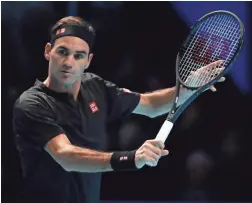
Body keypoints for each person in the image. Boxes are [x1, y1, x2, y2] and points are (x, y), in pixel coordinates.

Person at [12, 16, 225, 203]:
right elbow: (65, 155)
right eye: (62, 52)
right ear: (48, 51)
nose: (69, 62)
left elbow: (150, 105)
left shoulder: (95, 87)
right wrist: (131, 158)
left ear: (88, 61)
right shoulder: (32, 103)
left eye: (78, 55)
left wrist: (188, 87)